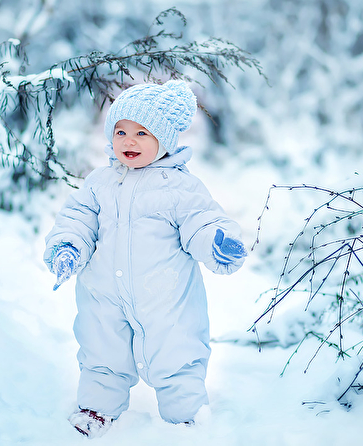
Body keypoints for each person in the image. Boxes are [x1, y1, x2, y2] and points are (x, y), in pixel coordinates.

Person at [43, 80, 247, 438]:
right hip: (104, 296)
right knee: (102, 352)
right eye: (120, 131)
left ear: (164, 141)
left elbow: (201, 220)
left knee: (178, 354)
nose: (128, 141)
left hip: (166, 299)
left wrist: (217, 242)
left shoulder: (179, 187)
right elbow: (77, 220)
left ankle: (187, 417)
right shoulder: (99, 183)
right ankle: (96, 408)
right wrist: (68, 247)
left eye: (141, 133)